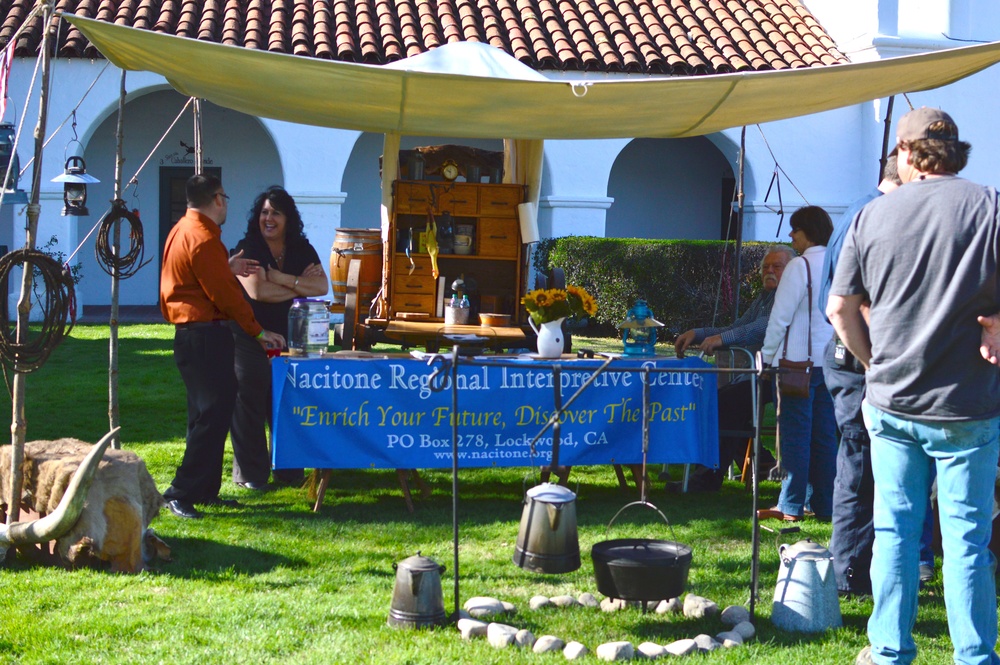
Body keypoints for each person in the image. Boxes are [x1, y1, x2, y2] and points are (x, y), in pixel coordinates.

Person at [828, 107, 1000, 665]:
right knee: (967, 542)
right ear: (956, 152)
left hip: (892, 399)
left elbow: (839, 309)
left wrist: (873, 361)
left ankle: (888, 651)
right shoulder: (991, 206)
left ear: (905, 151)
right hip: (967, 403)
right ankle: (975, 657)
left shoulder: (870, 216)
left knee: (895, 533)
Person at [160, 174, 285, 519]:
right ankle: (180, 491)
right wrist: (258, 332)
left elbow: (196, 277)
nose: (227, 204)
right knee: (213, 413)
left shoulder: (183, 229)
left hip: (193, 333)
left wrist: (224, 268)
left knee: (205, 413)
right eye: (225, 197)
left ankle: (204, 490)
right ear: (217, 199)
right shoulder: (203, 238)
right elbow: (226, 296)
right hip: (204, 333)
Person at [817, 151, 901, 595]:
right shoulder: (870, 214)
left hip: (854, 357)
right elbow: (843, 304)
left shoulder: (862, 208)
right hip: (856, 360)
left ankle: (857, 566)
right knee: (859, 463)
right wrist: (874, 360)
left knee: (862, 462)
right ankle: (848, 571)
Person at [672, 245, 794, 490]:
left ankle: (707, 479)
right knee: (727, 402)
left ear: (792, 271)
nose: (769, 271)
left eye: (777, 267)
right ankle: (763, 467)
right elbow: (739, 326)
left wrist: (722, 340)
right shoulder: (765, 296)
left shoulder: (789, 295)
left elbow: (764, 326)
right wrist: (698, 334)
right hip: (765, 374)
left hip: (787, 376)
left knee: (726, 403)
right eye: (765, 267)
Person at [230, 186, 327, 489]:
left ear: (288, 218)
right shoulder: (249, 248)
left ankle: (289, 471)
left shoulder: (302, 248)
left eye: (275, 213)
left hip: (291, 337)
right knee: (251, 397)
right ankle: (251, 475)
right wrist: (299, 286)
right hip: (250, 334)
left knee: (288, 399)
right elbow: (258, 291)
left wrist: (278, 277)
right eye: (264, 212)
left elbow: (322, 286)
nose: (268, 218)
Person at [758, 206, 837, 521]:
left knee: (795, 435)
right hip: (829, 363)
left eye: (795, 230)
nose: (791, 236)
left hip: (795, 365)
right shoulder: (837, 262)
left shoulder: (799, 266)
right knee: (824, 436)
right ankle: (826, 503)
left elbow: (780, 319)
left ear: (808, 232)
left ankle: (791, 504)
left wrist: (765, 356)